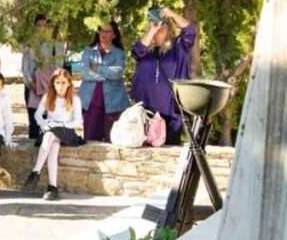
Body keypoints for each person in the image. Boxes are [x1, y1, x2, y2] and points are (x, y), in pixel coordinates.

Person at [130, 8, 197, 145]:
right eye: (155, 27)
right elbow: (136, 52)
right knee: (144, 153)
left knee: (169, 152)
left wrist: (171, 14)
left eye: (162, 28)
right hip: (146, 113)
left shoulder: (179, 47)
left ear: (169, 31)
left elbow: (190, 30)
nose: (158, 31)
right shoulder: (144, 51)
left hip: (171, 114)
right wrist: (152, 30)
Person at [24, 68, 84, 200]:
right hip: (51, 131)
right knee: (53, 146)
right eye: (57, 83)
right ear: (53, 83)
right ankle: (52, 187)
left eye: (63, 83)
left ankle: (36, 171)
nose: (60, 86)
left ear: (69, 83)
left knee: (51, 135)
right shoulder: (48, 96)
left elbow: (78, 121)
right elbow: (37, 115)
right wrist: (45, 124)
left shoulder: (75, 99)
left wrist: (61, 124)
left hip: (67, 132)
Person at [78, 21, 128, 142]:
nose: (103, 34)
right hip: (91, 102)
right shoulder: (88, 51)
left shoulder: (119, 53)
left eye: (107, 31)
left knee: (112, 140)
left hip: (113, 103)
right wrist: (106, 74)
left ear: (114, 35)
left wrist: (97, 68)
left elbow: (117, 73)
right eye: (101, 30)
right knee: (90, 140)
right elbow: (85, 73)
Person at [21, 14, 69, 139]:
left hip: (50, 88)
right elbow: (25, 67)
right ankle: (32, 147)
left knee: (50, 120)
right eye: (39, 25)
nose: (42, 28)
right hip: (32, 87)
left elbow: (59, 66)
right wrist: (30, 83)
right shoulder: (29, 44)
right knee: (34, 122)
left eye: (45, 25)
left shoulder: (57, 44)